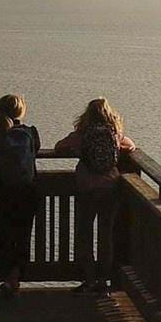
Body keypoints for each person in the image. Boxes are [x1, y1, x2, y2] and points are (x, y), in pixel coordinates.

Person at [54, 97, 136, 292]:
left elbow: (59, 147)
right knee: (106, 235)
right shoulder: (114, 133)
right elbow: (131, 146)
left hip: (87, 188)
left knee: (84, 234)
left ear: (87, 115)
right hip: (110, 188)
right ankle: (103, 281)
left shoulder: (82, 134)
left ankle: (89, 279)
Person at [0, 94, 41, 298]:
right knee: (23, 236)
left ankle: (7, 278)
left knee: (5, 234)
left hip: (2, 192)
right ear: (21, 111)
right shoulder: (31, 132)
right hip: (27, 192)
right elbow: (36, 150)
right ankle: (16, 278)